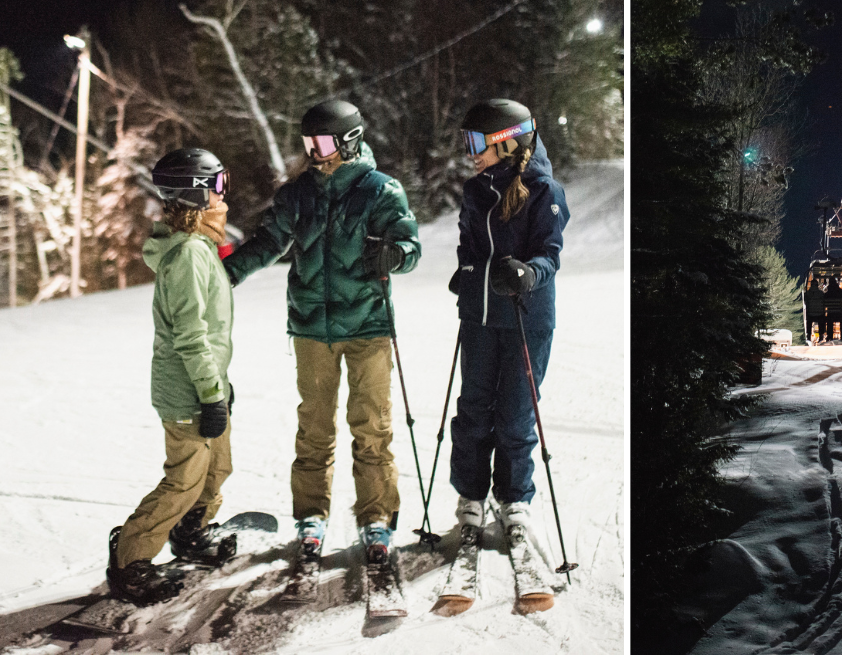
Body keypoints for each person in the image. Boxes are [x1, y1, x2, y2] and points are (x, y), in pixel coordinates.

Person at [222, 99, 421, 565]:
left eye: (324, 141)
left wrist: (395, 254)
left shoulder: (380, 191)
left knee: (371, 427)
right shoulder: (297, 195)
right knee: (313, 430)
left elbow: (410, 245)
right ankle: (310, 516)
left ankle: (376, 518)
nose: (314, 151)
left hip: (368, 327)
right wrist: (227, 272)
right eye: (309, 142)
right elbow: (269, 241)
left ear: (349, 141)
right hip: (312, 328)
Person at [105, 148, 236, 605]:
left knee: (217, 470)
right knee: (184, 480)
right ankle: (130, 559)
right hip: (188, 393)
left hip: (206, 385)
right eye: (218, 185)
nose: (225, 195)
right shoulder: (187, 257)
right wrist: (211, 395)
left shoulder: (198, 249)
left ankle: (189, 531)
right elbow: (190, 334)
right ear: (197, 195)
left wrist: (220, 387)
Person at [447, 99, 570, 540]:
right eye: (466, 141)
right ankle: (472, 496)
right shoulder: (476, 189)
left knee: (517, 413)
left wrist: (528, 273)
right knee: (474, 411)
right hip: (479, 316)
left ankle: (515, 499)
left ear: (506, 142)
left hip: (526, 316)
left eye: (476, 141)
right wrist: (464, 273)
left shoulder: (544, 191)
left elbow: (550, 254)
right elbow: (468, 245)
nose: (469, 151)